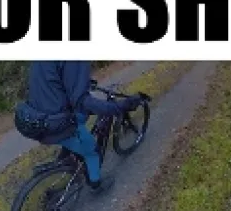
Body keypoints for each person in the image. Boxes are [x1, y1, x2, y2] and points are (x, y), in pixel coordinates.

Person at [15, 61, 143, 195]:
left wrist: (81, 83)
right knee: (92, 151)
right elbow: (83, 102)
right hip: (56, 123)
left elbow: (55, 79)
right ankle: (96, 185)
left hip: (35, 116)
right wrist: (120, 107)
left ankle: (69, 154)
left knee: (81, 118)